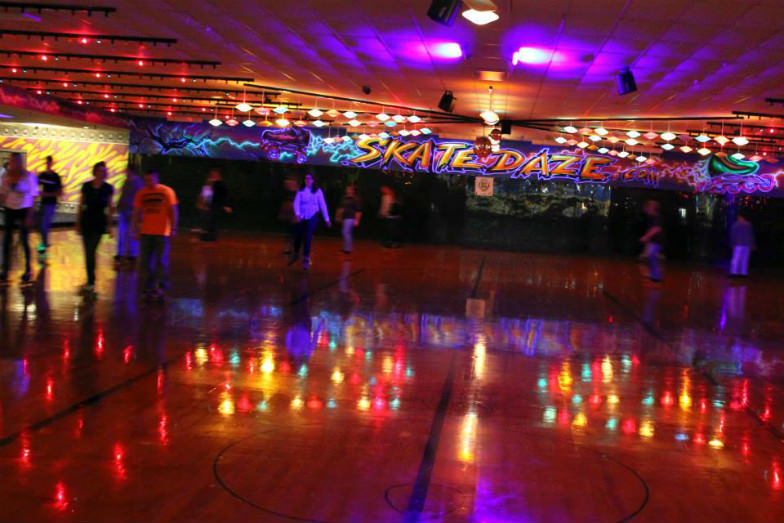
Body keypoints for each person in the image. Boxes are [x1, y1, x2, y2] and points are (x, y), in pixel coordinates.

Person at [133, 170, 178, 300]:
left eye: (151, 179)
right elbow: (137, 211)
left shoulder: (167, 191)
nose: (149, 183)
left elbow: (173, 211)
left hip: (162, 233)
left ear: (156, 178)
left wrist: (173, 228)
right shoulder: (141, 193)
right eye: (147, 180)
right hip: (146, 232)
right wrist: (135, 228)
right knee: (145, 262)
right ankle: (149, 286)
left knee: (161, 261)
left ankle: (161, 287)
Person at [77, 161, 114, 293]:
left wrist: (110, 226)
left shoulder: (108, 188)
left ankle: (91, 281)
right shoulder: (86, 186)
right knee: (88, 252)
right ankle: (90, 280)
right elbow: (81, 205)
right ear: (94, 171)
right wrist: (78, 222)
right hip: (87, 221)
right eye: (98, 171)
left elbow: (110, 208)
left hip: (99, 223)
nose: (101, 174)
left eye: (103, 172)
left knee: (91, 251)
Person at [0, 152, 38, 283]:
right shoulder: (5, 176)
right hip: (9, 209)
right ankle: (5, 270)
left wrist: (29, 216)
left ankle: (28, 269)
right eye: (12, 162)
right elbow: (3, 194)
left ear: (21, 162)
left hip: (24, 210)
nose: (13, 164)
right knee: (7, 241)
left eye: (16, 162)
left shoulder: (29, 177)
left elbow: (34, 197)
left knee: (24, 241)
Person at [289, 173, 330, 269]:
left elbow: (323, 205)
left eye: (310, 179)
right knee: (298, 235)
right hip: (302, 216)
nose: (307, 180)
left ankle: (306, 258)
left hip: (313, 216)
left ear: (313, 180)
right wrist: (297, 214)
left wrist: (327, 219)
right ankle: (296, 253)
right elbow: (296, 203)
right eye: (306, 179)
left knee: (308, 236)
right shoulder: (301, 191)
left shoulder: (318, 191)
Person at [115, 166, 144, 267]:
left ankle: (129, 256)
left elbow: (139, 198)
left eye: (127, 170)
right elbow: (123, 195)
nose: (125, 172)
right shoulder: (129, 182)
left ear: (130, 171)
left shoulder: (136, 182)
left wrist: (139, 214)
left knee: (129, 234)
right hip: (126, 211)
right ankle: (127, 255)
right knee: (125, 234)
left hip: (131, 212)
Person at [36, 155, 62, 254]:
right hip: (43, 203)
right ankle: (44, 243)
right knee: (40, 225)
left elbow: (59, 192)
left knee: (44, 225)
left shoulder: (56, 177)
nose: (48, 164)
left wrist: (47, 194)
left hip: (51, 204)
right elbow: (35, 188)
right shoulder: (42, 175)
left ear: (51, 163)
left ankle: (43, 247)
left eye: (49, 162)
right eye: (47, 162)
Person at [198, 169, 231, 242]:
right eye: (212, 174)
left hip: (215, 206)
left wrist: (225, 205)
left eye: (215, 174)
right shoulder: (209, 183)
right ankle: (207, 236)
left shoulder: (220, 184)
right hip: (210, 206)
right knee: (208, 222)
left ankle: (210, 237)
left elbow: (222, 195)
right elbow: (205, 194)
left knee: (213, 222)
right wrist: (202, 203)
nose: (213, 176)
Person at [640, 200, 663, 284]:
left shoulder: (656, 217)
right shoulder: (652, 217)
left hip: (656, 241)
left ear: (653, 208)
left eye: (649, 207)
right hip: (653, 241)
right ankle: (655, 276)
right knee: (650, 257)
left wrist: (646, 237)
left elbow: (656, 229)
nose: (647, 209)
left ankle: (657, 277)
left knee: (652, 257)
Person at [336, 184, 361, 254]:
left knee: (346, 232)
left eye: (350, 189)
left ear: (353, 190)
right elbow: (341, 208)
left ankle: (347, 249)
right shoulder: (344, 198)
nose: (348, 190)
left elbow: (358, 210)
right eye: (347, 189)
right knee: (347, 233)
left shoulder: (355, 199)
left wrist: (357, 220)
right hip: (345, 217)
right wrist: (338, 216)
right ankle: (347, 248)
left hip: (351, 217)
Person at [729, 212, 755, 278]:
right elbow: (751, 235)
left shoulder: (735, 225)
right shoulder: (748, 224)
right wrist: (752, 244)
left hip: (738, 244)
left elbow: (733, 235)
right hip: (746, 244)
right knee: (744, 259)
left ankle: (734, 272)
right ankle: (743, 273)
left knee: (736, 259)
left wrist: (732, 243)